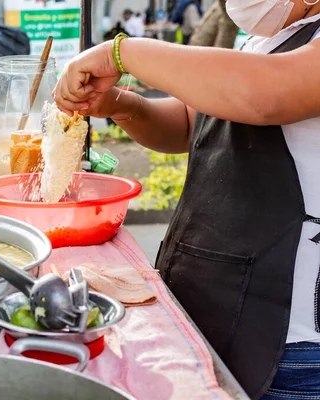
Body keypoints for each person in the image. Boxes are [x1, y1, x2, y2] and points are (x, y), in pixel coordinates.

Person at [53, 1, 320, 399]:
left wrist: (121, 53)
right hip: (214, 310)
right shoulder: (262, 43)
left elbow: (266, 94)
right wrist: (121, 105)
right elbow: (187, 126)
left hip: (290, 349)